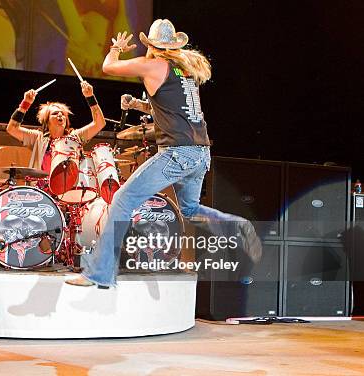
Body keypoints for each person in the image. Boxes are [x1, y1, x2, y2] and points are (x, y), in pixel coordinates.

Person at [66, 19, 262, 287]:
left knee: (122, 200)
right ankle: (235, 224)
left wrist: (116, 49)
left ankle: (99, 274)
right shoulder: (185, 72)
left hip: (178, 154)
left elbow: (107, 67)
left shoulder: (154, 65)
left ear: (152, 45)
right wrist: (137, 104)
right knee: (190, 209)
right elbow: (172, 111)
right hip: (200, 153)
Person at [6, 81, 105, 172]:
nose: (60, 115)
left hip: (69, 189)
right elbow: (12, 128)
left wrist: (90, 97)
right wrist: (25, 103)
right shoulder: (37, 138)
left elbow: (99, 123)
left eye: (63, 113)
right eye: (55, 113)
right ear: (47, 120)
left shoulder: (76, 137)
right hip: (41, 188)